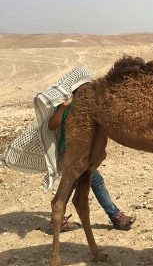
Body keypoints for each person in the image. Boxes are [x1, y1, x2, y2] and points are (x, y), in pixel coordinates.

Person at [47, 93, 136, 232]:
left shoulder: (90, 103)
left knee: (73, 183)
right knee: (94, 180)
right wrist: (63, 108)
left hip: (84, 151)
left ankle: (56, 219)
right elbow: (52, 125)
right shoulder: (66, 105)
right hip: (72, 150)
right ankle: (116, 216)